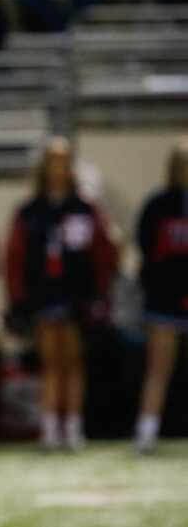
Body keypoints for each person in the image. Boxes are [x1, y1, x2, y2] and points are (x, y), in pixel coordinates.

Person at [6, 137, 118, 451]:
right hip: (43, 295)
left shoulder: (86, 207)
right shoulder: (30, 211)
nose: (58, 167)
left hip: (78, 295)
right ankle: (50, 427)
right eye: (52, 160)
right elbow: (15, 257)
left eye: (63, 161)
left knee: (73, 360)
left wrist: (100, 293)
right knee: (49, 361)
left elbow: (104, 252)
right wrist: (18, 300)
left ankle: (73, 426)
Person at [134, 138, 188, 453]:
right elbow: (147, 252)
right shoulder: (157, 205)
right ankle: (146, 432)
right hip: (165, 302)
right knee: (158, 369)